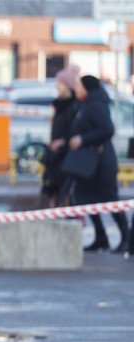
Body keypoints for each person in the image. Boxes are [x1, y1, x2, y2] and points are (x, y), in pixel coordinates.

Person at [67, 75, 128, 252]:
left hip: (101, 163)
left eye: (78, 85)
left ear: (86, 87)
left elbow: (107, 129)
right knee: (86, 199)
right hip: (87, 162)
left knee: (109, 199)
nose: (76, 88)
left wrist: (83, 139)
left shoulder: (96, 105)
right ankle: (101, 237)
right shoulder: (84, 104)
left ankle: (125, 237)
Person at [41, 65, 80, 208]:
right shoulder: (58, 105)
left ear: (67, 86)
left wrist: (62, 142)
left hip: (65, 157)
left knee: (65, 193)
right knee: (54, 191)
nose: (57, 86)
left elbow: (74, 131)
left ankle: (68, 218)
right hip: (55, 156)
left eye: (60, 83)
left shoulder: (73, 107)